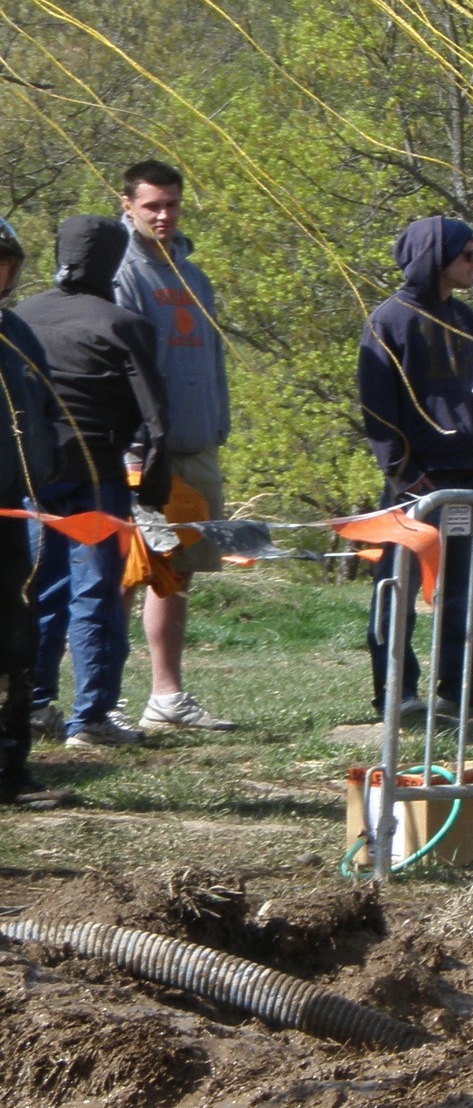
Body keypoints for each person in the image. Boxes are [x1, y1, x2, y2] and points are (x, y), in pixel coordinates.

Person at [16, 215, 166, 750]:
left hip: (32, 476)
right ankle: (92, 717)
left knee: (38, 591)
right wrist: (153, 491)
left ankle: (33, 705)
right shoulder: (124, 324)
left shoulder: (20, 315)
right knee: (96, 594)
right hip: (98, 473)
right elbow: (155, 419)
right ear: (114, 259)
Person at [356, 215, 473, 720]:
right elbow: (377, 408)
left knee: (463, 588)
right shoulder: (388, 320)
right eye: (467, 255)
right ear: (437, 257)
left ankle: (458, 684)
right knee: (396, 587)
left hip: (468, 482)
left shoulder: (466, 319)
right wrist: (404, 472)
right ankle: (395, 690)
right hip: (417, 485)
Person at [113, 160, 236, 732]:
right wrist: (135, 447)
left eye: (172, 204)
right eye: (152, 205)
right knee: (125, 572)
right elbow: (123, 366)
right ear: (127, 205)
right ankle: (102, 698)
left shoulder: (195, 275)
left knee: (177, 573)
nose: (163, 215)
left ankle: (167, 697)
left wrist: (218, 422)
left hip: (197, 444)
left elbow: (210, 356)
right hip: (144, 452)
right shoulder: (123, 274)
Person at [0, 216, 72, 806]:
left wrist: (50, 464)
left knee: (16, 641)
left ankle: (9, 771)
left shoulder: (17, 333)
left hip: (11, 514)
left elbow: (46, 408)